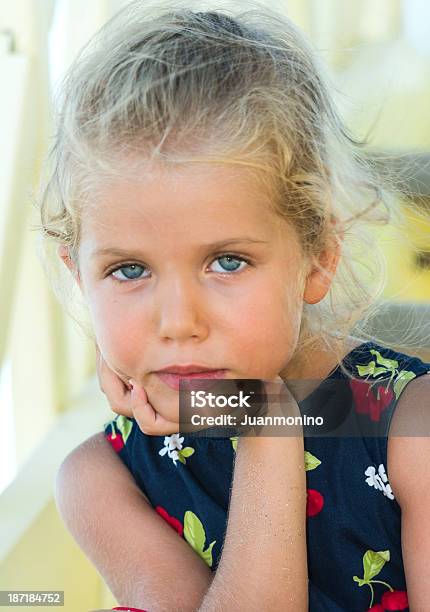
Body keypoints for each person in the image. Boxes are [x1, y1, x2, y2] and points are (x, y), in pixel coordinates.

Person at [35, 1, 430, 610]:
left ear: (319, 257)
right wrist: (265, 423)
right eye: (129, 270)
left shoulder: (413, 430)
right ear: (80, 277)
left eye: (226, 262)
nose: (178, 323)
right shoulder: (103, 480)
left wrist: (267, 422)